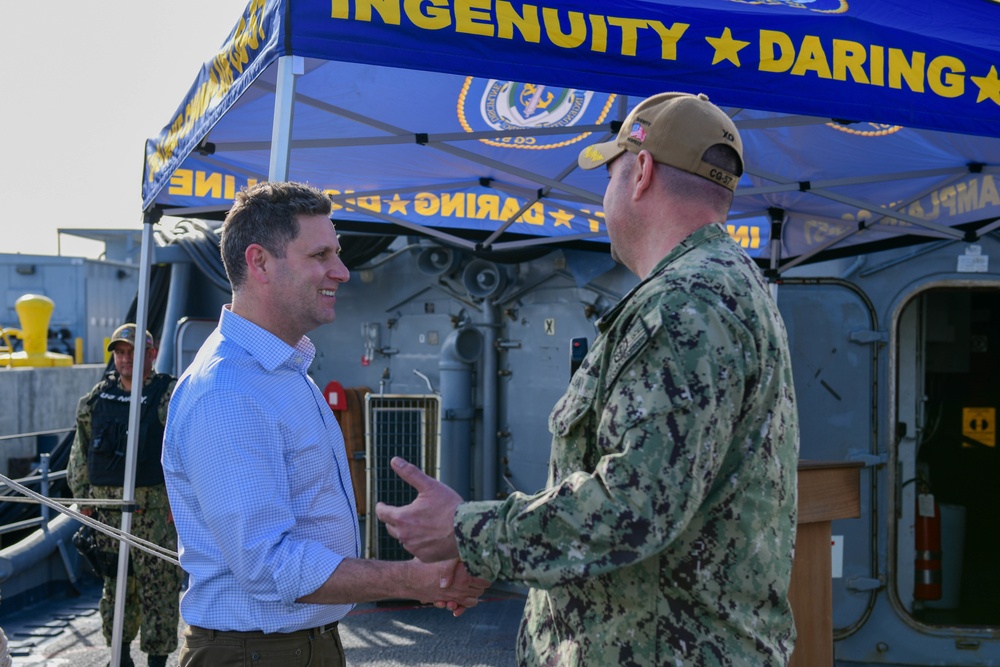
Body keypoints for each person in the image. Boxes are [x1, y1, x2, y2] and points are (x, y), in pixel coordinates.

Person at [376, 92, 801, 666]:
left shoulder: (684, 305)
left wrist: (466, 532)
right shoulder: (724, 286)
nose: (603, 199)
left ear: (642, 172)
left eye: (609, 174)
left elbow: (634, 506)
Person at [161, 181, 489, 667]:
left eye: (336, 253)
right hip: (255, 653)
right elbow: (267, 565)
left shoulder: (285, 373)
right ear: (260, 262)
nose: (341, 270)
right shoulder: (226, 391)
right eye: (320, 255)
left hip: (300, 644)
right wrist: (412, 580)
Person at [68, 323, 182, 667]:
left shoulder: (168, 395)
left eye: (133, 351)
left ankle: (157, 661)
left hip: (155, 512)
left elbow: (185, 451)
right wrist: (83, 498)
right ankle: (119, 656)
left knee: (158, 588)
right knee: (117, 588)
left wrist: (182, 502)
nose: (125, 358)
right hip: (109, 511)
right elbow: (81, 451)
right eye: (119, 352)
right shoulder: (97, 399)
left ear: (151, 354)